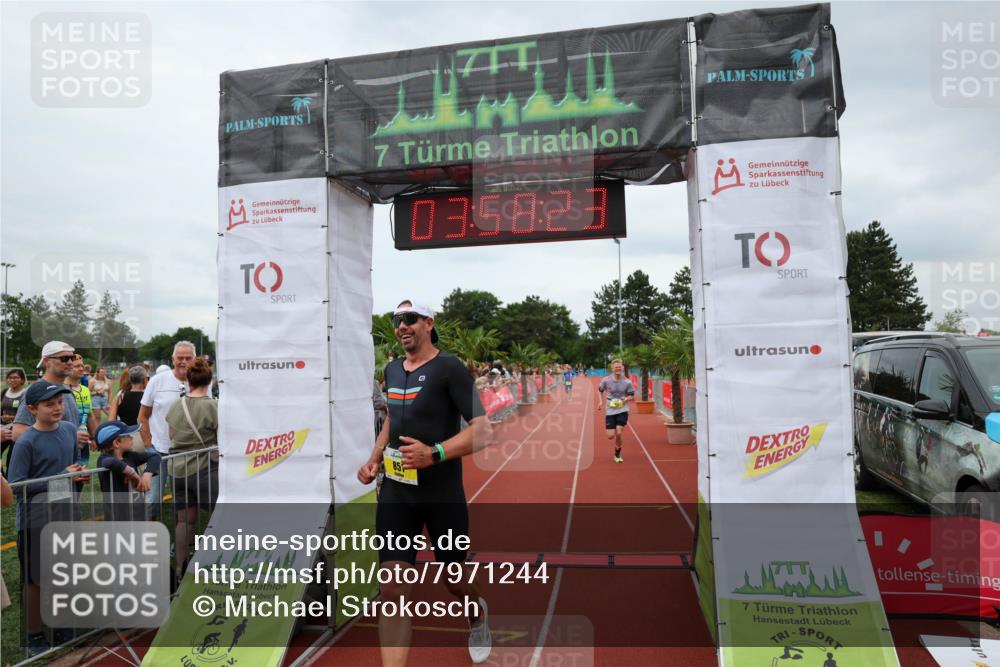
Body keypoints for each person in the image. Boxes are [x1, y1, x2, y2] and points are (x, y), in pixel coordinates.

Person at [357, 299, 494, 666]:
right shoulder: (392, 369)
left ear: (429, 323)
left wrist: (434, 453)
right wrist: (374, 457)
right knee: (393, 589)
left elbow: (484, 431)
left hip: (441, 494)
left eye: (410, 318)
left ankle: (477, 612)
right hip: (397, 493)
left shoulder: (449, 368)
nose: (401, 326)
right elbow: (393, 417)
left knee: (454, 576)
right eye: (396, 320)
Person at [8, 382, 87, 657]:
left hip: (65, 514)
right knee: (35, 581)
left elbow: (74, 465)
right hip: (36, 520)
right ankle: (34, 635)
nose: (57, 408)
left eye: (60, 402)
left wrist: (78, 476)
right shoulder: (26, 442)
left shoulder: (69, 430)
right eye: (49, 404)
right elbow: (16, 487)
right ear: (32, 409)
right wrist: (63, 477)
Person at [164, 357, 218, 583]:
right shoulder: (212, 406)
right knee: (219, 518)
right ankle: (216, 565)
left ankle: (180, 569)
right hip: (204, 469)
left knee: (184, 521)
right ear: (210, 380)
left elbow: (171, 435)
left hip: (177, 469)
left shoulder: (176, 405)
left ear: (188, 380)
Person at [138, 341, 194, 518]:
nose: (184, 361)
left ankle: (181, 531)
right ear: (173, 359)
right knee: (153, 498)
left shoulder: (201, 382)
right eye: (180, 357)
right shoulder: (157, 381)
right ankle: (149, 529)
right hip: (158, 451)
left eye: (188, 358)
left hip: (188, 452)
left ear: (195, 359)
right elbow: (142, 416)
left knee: (183, 500)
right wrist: (149, 445)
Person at [12, 342, 85, 454]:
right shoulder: (35, 391)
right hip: (46, 463)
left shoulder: (67, 390)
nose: (70, 362)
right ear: (46, 361)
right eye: (64, 358)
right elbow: (18, 433)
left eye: (72, 358)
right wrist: (66, 438)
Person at [95, 420, 161, 522]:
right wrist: (133, 474)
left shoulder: (129, 456)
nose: (132, 437)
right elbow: (111, 462)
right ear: (117, 443)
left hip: (137, 511)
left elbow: (155, 456)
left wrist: (147, 474)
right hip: (117, 516)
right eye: (128, 436)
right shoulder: (103, 459)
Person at [597, 358, 634, 463]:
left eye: (619, 367)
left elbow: (631, 395)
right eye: (616, 367)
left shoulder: (627, 382)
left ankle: (617, 454)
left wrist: (625, 399)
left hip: (622, 409)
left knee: (619, 432)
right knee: (610, 436)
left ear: (622, 368)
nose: (618, 368)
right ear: (612, 368)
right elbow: (600, 390)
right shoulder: (606, 380)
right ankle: (616, 441)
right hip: (610, 409)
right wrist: (600, 401)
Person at [67, 356, 98, 467]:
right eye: (77, 366)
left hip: (84, 439)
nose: (81, 369)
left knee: (82, 470)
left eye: (82, 366)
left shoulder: (85, 389)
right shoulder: (62, 390)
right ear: (68, 367)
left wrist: (94, 438)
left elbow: (89, 415)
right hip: (67, 441)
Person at [2, 368, 28, 472]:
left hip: (18, 429)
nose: (13, 380)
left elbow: (28, 412)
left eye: (16, 377)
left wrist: (13, 418)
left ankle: (11, 479)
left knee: (11, 458)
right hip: (4, 428)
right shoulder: (4, 392)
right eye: (10, 377)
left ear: (22, 380)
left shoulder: (25, 394)